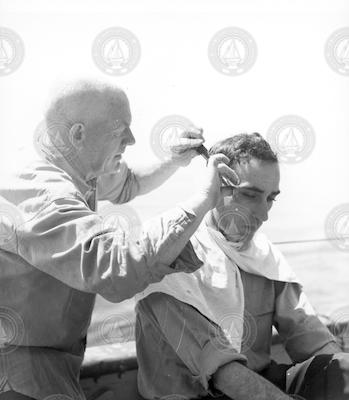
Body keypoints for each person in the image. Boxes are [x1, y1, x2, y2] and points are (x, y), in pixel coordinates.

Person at [0, 80, 237, 400]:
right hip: (19, 368)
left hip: (52, 359)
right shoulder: (41, 193)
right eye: (120, 130)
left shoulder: (74, 161)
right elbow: (116, 268)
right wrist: (205, 198)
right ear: (78, 135)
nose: (132, 139)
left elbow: (129, 183)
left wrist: (174, 160)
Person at [135, 133, 349, 400]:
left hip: (262, 382)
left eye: (271, 198)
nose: (264, 215)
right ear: (216, 187)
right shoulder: (168, 257)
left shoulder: (263, 255)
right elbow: (226, 374)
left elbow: (310, 337)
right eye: (250, 195)